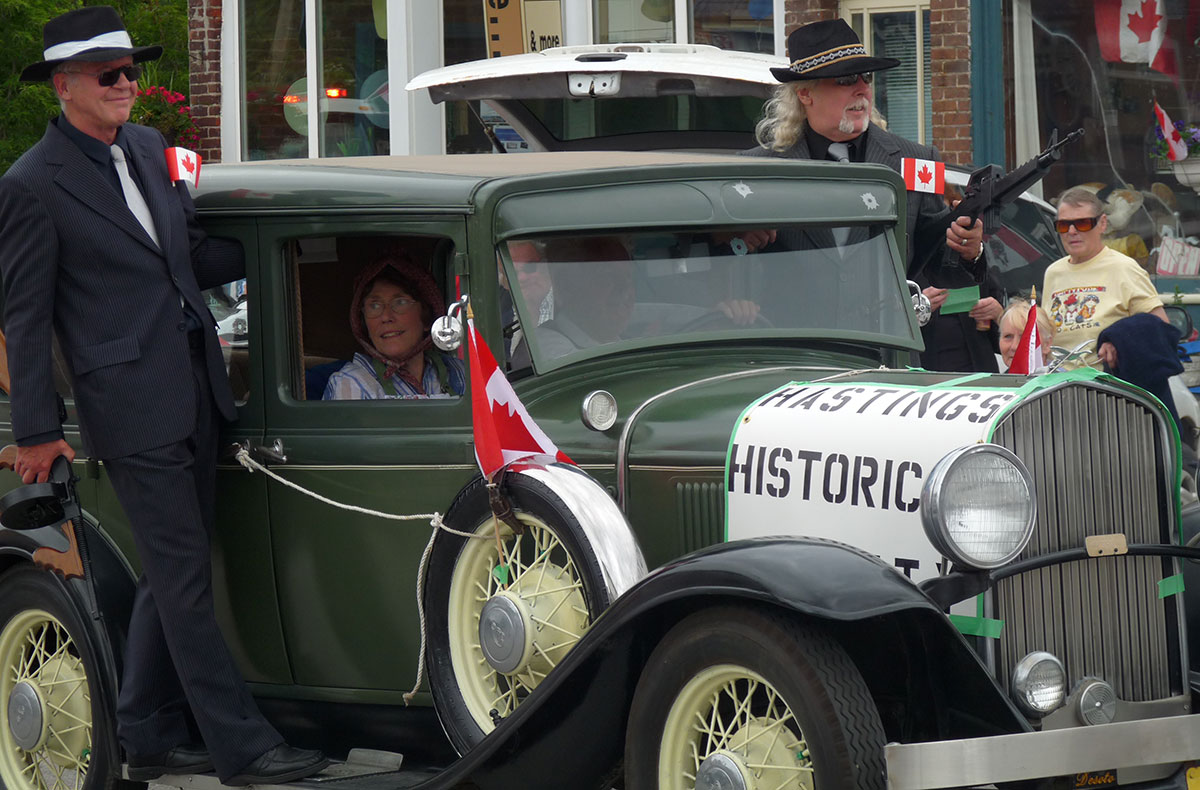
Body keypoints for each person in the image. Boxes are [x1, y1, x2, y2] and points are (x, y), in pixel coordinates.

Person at [0, 7, 328, 785]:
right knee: (183, 581)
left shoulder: (150, 149)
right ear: (65, 84)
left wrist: (306, 252)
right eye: (109, 74)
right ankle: (242, 749)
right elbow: (24, 315)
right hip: (127, 406)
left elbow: (185, 261)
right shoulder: (28, 187)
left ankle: (145, 733)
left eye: (132, 70)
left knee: (166, 576)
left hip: (199, 387)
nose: (127, 85)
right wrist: (37, 432)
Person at [743, 19, 985, 282]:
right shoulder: (757, 170)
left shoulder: (920, 161)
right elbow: (723, 267)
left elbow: (941, 270)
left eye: (866, 77)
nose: (863, 89)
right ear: (804, 93)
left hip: (881, 323)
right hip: (794, 322)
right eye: (846, 79)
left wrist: (969, 250)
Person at [1042, 187, 1168, 370]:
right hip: (1060, 388)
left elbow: (1160, 327)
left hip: (1109, 389)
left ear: (1102, 224)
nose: (1072, 231)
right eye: (1063, 225)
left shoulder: (1124, 268)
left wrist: (1118, 341)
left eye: (1082, 223)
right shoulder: (1053, 272)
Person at [324, 255, 466, 399]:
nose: (386, 317)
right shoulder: (351, 384)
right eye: (374, 306)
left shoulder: (459, 373)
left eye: (400, 303)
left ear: (427, 318)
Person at [997, 299, 1054, 372]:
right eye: (1008, 336)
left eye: (1025, 338)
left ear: (1047, 344)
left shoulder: (1064, 381)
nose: (1015, 346)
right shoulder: (995, 382)